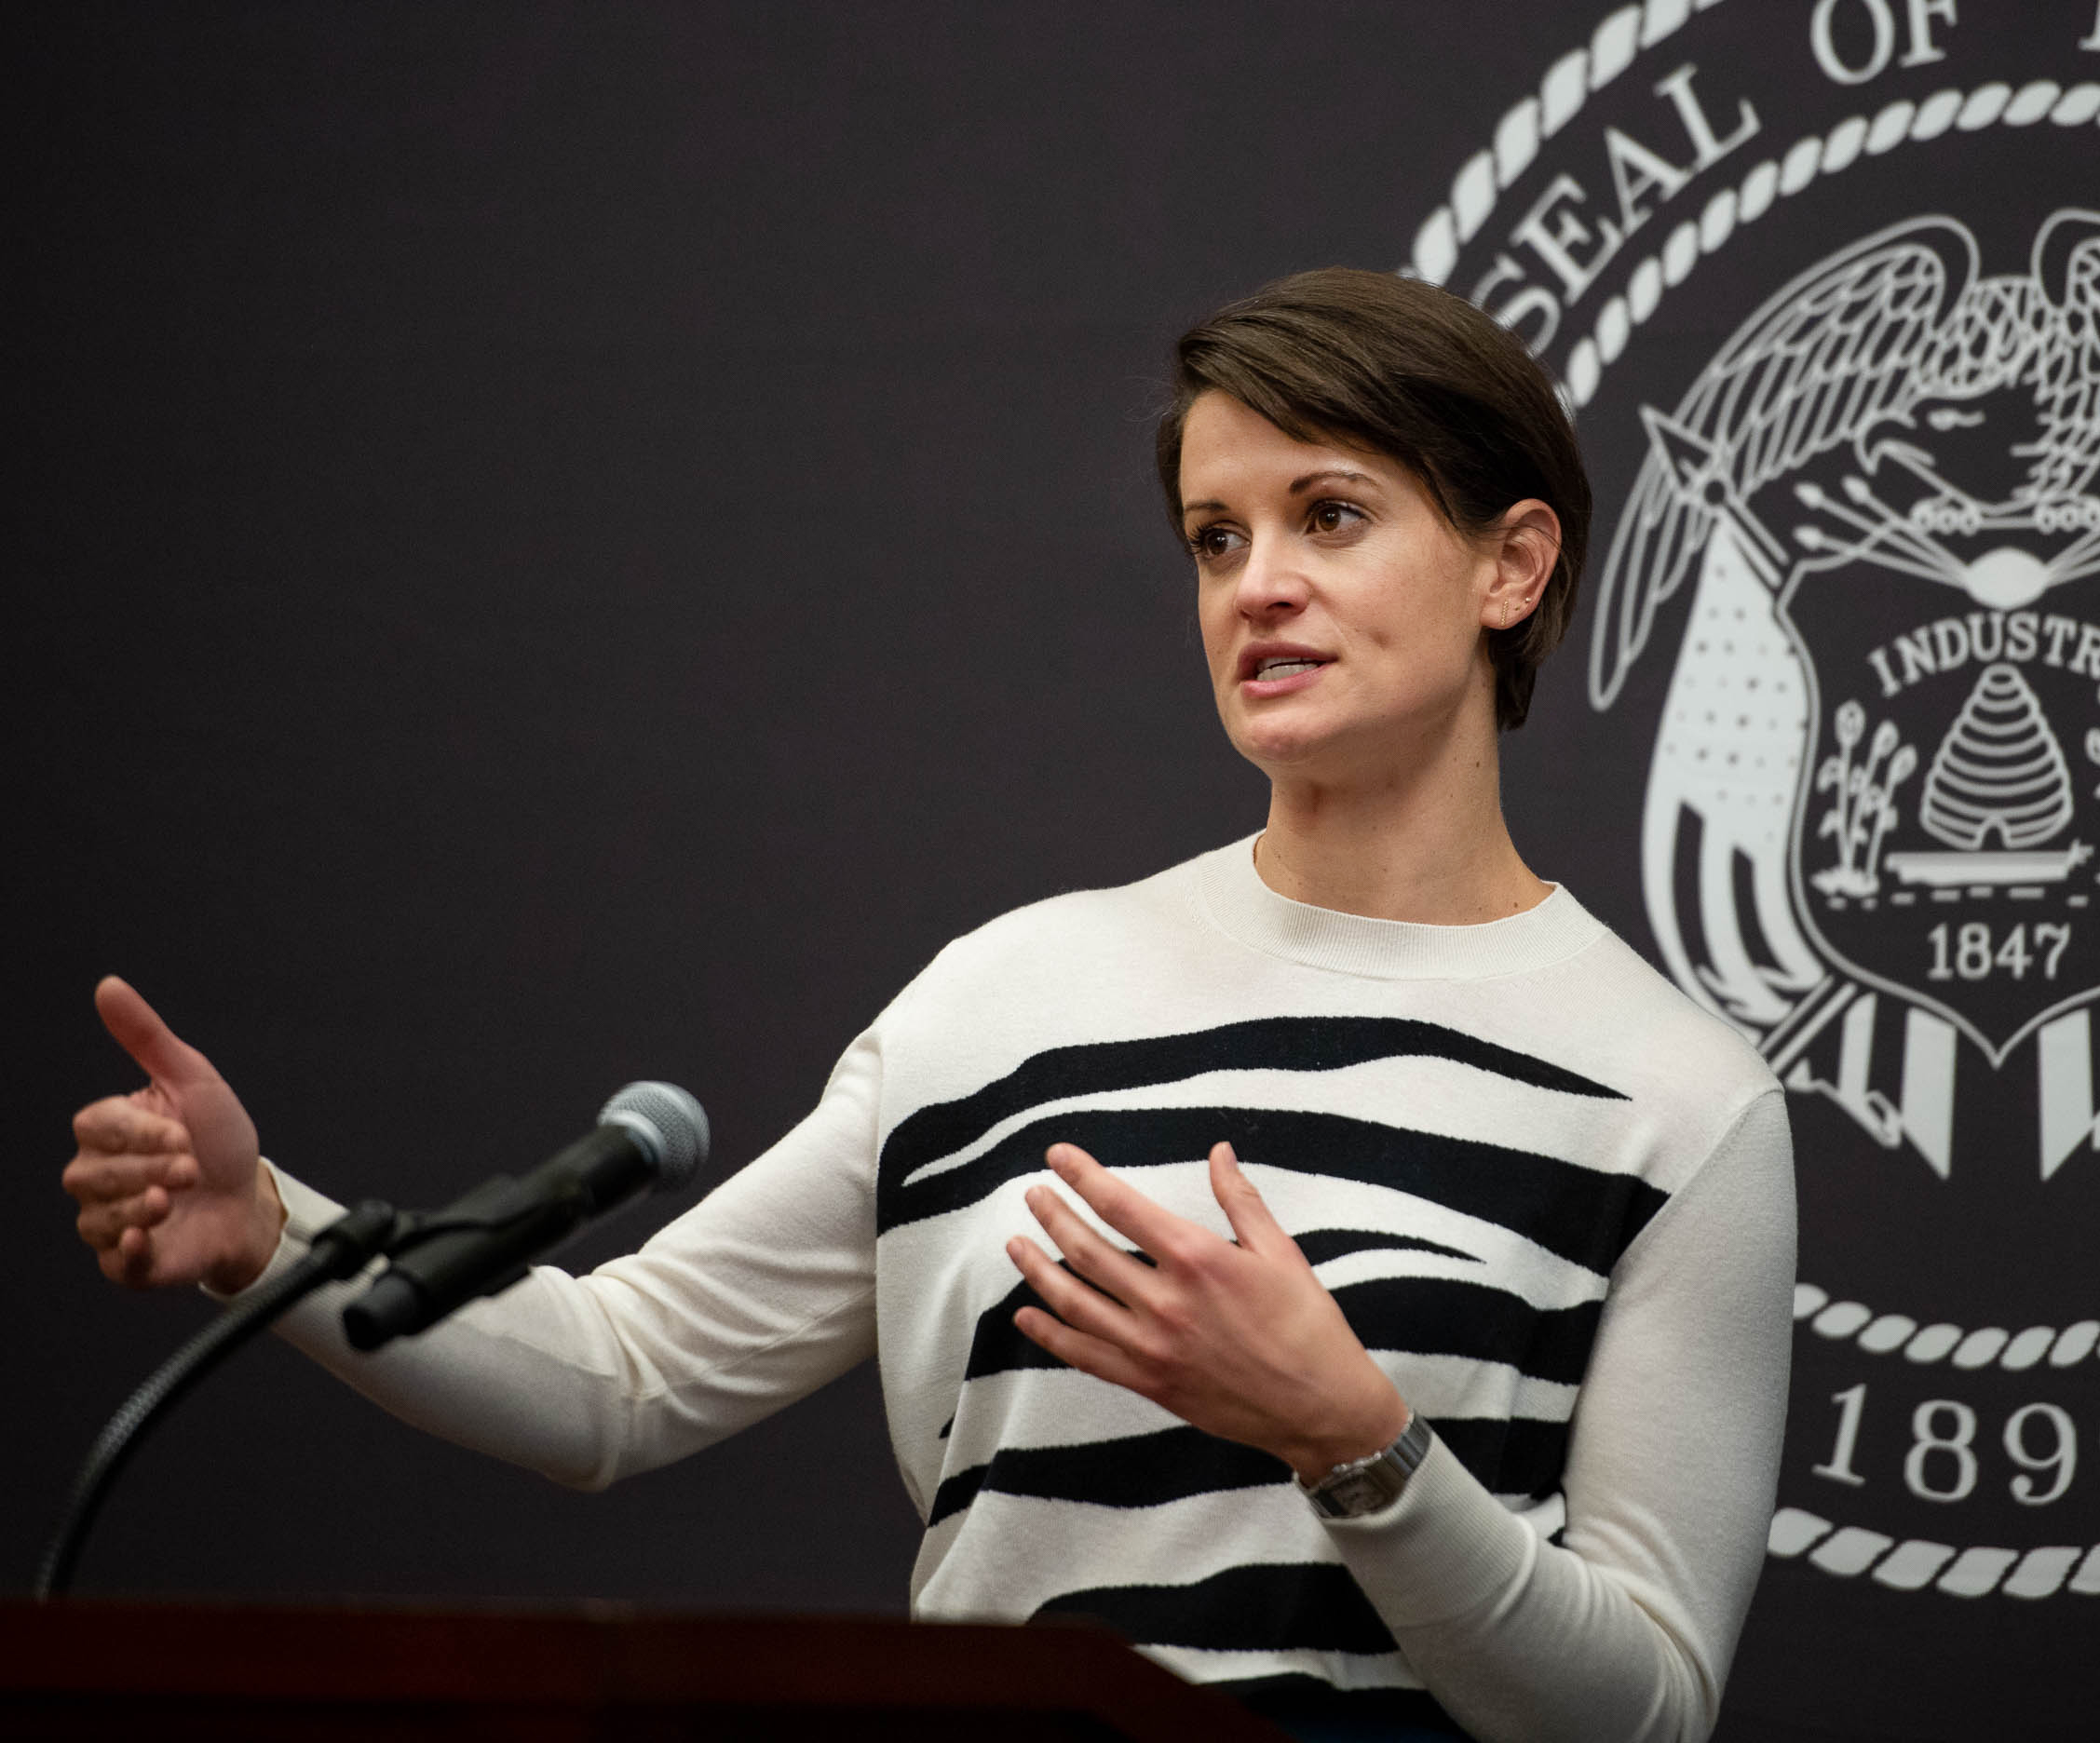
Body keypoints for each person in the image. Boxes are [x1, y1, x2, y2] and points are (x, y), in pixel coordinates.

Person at [62, 266, 1796, 1743]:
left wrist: (1352, 1437)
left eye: (1329, 515)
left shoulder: (1670, 1095)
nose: (1254, 583)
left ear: (1512, 566)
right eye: (1215, 535)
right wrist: (257, 1228)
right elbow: (616, 1375)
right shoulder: (1011, 996)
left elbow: (1642, 1705)